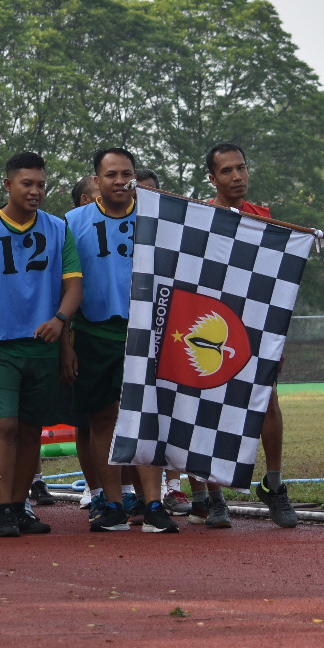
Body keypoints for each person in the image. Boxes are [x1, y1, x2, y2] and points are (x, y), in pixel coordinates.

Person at [0, 151, 82, 538]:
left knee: (30, 430)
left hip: (42, 346)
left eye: (41, 184)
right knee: (2, 424)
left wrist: (60, 322)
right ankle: (5, 507)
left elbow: (73, 285)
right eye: (27, 183)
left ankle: (20, 505)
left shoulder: (58, 228)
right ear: (7, 185)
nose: (35, 191)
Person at [65, 148, 179, 534]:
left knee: (148, 418)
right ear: (96, 180)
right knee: (102, 419)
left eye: (125, 173)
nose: (119, 181)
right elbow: (62, 287)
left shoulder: (156, 217)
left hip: (147, 329)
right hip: (95, 331)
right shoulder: (73, 222)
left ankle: (153, 503)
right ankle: (112, 503)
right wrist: (66, 342)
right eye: (110, 174)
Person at [200, 142, 297, 529]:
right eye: (227, 171)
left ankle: (273, 486)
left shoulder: (264, 218)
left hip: (255, 324)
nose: (237, 177)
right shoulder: (199, 217)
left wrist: (278, 338)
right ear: (213, 178)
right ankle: (214, 496)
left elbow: (278, 284)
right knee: (204, 409)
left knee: (266, 402)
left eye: (241, 168)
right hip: (208, 324)